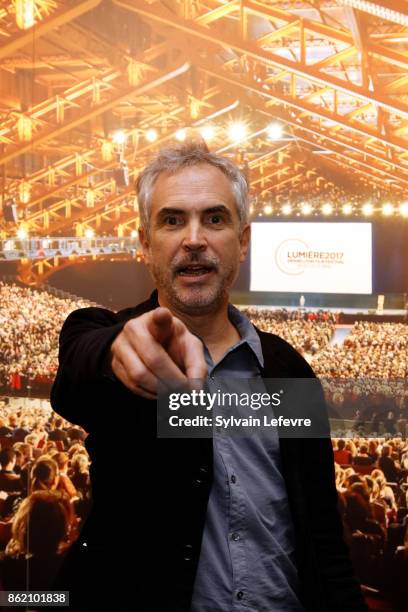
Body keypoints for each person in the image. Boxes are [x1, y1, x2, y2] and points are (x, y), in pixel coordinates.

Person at [50, 141, 368, 611]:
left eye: (215, 219)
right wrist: (116, 354)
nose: (194, 238)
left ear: (243, 240)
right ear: (144, 243)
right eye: (172, 220)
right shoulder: (108, 339)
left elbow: (323, 534)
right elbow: (78, 373)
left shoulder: (289, 372)